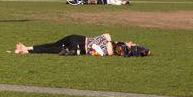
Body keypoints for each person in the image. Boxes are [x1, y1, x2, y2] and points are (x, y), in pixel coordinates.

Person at [13, 33, 150, 56]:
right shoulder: (113, 44)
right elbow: (107, 36)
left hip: (81, 43)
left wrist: (107, 41)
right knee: (53, 46)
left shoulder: (115, 48)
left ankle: (26, 50)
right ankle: (27, 49)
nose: (131, 41)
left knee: (53, 48)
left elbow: (108, 48)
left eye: (132, 43)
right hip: (80, 41)